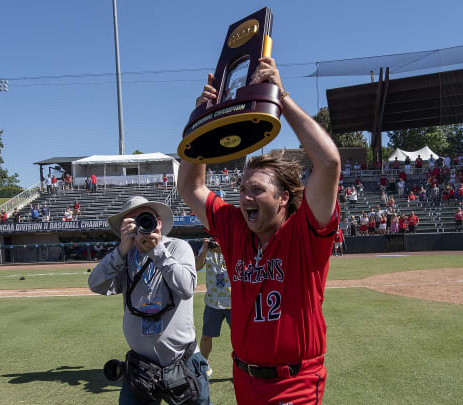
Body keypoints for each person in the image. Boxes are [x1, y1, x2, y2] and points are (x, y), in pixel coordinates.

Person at [178, 57, 339, 404]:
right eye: (242, 189)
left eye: (257, 190)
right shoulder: (236, 227)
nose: (245, 196)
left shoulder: (304, 233)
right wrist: (201, 123)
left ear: (283, 198)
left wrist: (281, 97)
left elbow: (328, 163)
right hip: (244, 379)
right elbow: (190, 186)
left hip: (294, 381)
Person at [88, 196, 209, 404]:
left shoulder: (177, 248)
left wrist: (157, 251)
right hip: (140, 368)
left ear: (159, 222)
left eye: (146, 218)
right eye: (133, 221)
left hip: (182, 361)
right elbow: (96, 284)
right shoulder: (125, 257)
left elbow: (187, 288)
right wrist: (120, 250)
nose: (142, 225)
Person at [195, 238, 231, 377]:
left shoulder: (233, 245)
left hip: (233, 302)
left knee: (239, 338)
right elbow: (197, 266)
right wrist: (204, 249)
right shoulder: (207, 249)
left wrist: (222, 248)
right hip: (212, 302)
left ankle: (242, 367)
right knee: (206, 337)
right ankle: (204, 365)